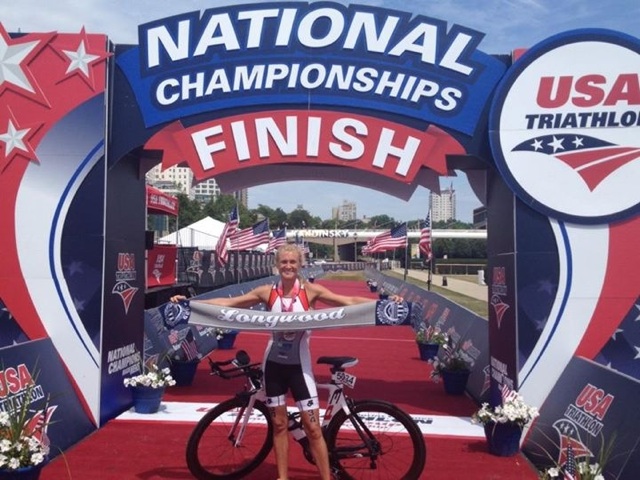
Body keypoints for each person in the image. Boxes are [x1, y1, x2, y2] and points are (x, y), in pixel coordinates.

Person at [170, 243, 402, 480]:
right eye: (284, 262)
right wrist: (190, 304)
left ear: (300, 265)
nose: (288, 266)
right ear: (277, 265)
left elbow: (348, 301)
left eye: (293, 262)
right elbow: (230, 304)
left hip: (300, 368)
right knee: (280, 426)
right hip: (273, 366)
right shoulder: (266, 292)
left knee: (312, 428)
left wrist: (385, 305)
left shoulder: (311, 291)